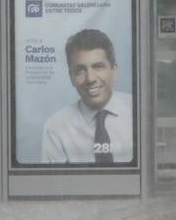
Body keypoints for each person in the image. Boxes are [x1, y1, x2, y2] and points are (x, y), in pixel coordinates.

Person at [41, 28, 135, 164]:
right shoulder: (56, 127)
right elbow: (53, 183)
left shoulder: (138, 111)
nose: (90, 78)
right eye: (80, 70)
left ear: (114, 70)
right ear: (71, 77)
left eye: (98, 67)